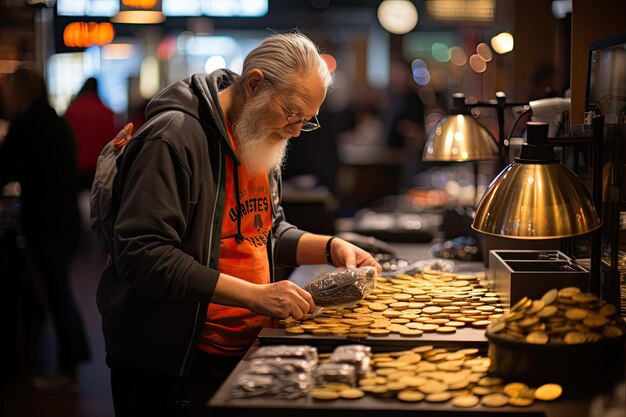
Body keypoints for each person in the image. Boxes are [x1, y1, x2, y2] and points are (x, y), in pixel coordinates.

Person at [98, 32, 381, 417]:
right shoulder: (173, 138)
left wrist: (330, 247)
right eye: (293, 113)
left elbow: (265, 230)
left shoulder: (257, 133)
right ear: (254, 84)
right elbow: (143, 254)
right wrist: (254, 295)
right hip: (173, 364)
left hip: (242, 348)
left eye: (307, 121)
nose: (296, 130)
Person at [0, 67, 90, 394]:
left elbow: (3, 167)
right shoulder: (56, 121)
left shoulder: (25, 127)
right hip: (66, 222)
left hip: (45, 223)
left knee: (53, 294)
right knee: (55, 292)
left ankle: (67, 370)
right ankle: (70, 358)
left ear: (20, 92)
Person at [64, 77, 117, 190]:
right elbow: (113, 142)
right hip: (98, 167)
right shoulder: (107, 112)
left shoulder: (72, 110)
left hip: (76, 167)